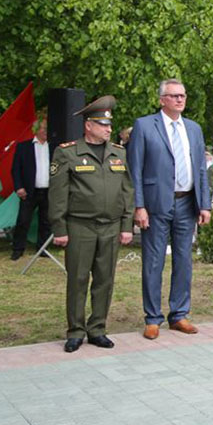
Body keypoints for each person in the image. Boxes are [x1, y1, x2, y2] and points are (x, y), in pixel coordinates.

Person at [48, 96, 134, 353]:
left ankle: (97, 328)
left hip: (110, 226)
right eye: (102, 125)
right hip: (80, 226)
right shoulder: (67, 152)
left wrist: (127, 225)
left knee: (105, 280)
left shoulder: (118, 153)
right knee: (78, 278)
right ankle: (75, 330)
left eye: (109, 125)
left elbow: (127, 190)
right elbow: (58, 193)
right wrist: (59, 229)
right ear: (88, 126)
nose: (108, 129)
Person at [127, 78, 211, 340]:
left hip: (187, 202)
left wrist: (204, 203)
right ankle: (152, 318)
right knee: (153, 261)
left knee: (184, 260)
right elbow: (135, 170)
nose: (180, 100)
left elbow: (200, 169)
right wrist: (139, 206)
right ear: (162, 99)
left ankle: (179, 314)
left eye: (182, 95)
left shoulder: (194, 129)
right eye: (174, 96)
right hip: (155, 204)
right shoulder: (144, 126)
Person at [10, 112, 51, 260]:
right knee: (23, 221)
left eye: (47, 129)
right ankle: (17, 249)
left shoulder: (54, 147)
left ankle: (43, 249)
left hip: (48, 190)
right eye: (43, 128)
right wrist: (18, 187)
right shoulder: (24, 147)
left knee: (46, 221)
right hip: (29, 191)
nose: (46, 132)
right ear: (36, 130)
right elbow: (15, 169)